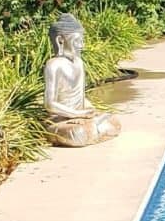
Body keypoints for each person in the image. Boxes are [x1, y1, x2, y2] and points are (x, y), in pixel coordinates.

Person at [42, 14, 122, 147]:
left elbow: (80, 96)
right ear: (60, 41)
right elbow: (50, 104)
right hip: (60, 119)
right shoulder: (53, 65)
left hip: (80, 116)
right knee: (78, 133)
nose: (82, 45)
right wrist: (75, 114)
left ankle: (91, 130)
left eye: (82, 41)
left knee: (112, 121)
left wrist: (90, 109)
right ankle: (89, 132)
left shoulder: (79, 62)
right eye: (77, 41)